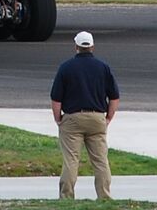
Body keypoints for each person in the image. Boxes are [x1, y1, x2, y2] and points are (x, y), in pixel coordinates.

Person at [50, 30, 119, 200]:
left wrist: (58, 118)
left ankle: (66, 197)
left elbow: (56, 98)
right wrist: (108, 118)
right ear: (92, 47)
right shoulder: (103, 67)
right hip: (97, 118)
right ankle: (104, 196)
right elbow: (114, 97)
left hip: (73, 119)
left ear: (76, 47)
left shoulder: (66, 67)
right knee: (101, 161)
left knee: (71, 161)